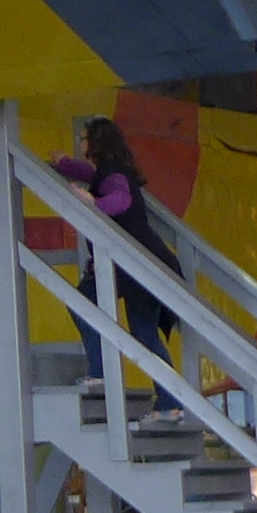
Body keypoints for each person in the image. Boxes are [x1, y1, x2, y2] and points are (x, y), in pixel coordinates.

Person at [54, 116, 184, 416]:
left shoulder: (112, 175)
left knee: (82, 302)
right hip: (145, 263)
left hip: (129, 264)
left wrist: (93, 203)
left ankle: (100, 371)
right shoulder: (113, 171)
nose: (81, 142)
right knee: (145, 335)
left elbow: (120, 200)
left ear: (95, 143)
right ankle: (170, 402)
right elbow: (89, 174)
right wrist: (64, 164)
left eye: (84, 138)